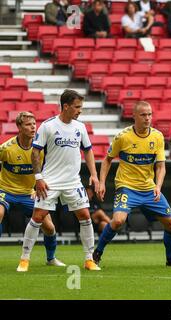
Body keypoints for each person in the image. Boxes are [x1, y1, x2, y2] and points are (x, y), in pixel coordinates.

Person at [92, 101, 171, 267]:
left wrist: (158, 186)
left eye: (149, 114)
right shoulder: (123, 137)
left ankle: (170, 260)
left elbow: (161, 166)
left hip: (149, 189)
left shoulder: (157, 136)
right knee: (118, 221)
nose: (147, 118)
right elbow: (107, 160)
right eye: (143, 115)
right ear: (134, 116)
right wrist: (102, 183)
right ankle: (97, 253)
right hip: (127, 186)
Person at [17, 90, 100, 272]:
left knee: (85, 216)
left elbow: (88, 150)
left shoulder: (80, 127)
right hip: (50, 181)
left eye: (81, 107)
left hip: (73, 182)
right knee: (38, 217)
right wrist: (38, 178)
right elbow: (35, 152)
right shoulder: (48, 126)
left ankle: (89, 260)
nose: (80, 111)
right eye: (77, 107)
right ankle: (24, 259)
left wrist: (94, 175)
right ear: (66, 106)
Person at [0, 112, 65, 267]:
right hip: (5, 191)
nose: (33, 127)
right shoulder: (6, 148)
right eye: (28, 124)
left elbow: (49, 169)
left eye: (34, 124)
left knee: (49, 228)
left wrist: (37, 188)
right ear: (19, 127)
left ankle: (51, 259)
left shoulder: (41, 148)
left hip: (29, 193)